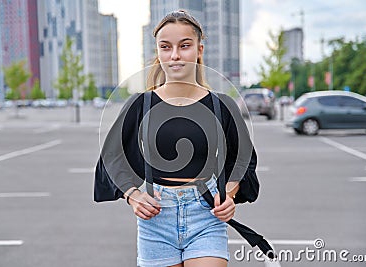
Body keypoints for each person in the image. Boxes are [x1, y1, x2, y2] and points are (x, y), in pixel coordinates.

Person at [98, 10, 256, 267]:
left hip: (205, 214)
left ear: (199, 50)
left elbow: (243, 158)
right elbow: (111, 156)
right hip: (156, 218)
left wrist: (229, 194)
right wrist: (133, 196)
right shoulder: (141, 104)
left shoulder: (221, 105)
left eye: (184, 46)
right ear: (158, 52)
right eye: (165, 47)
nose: (174, 55)